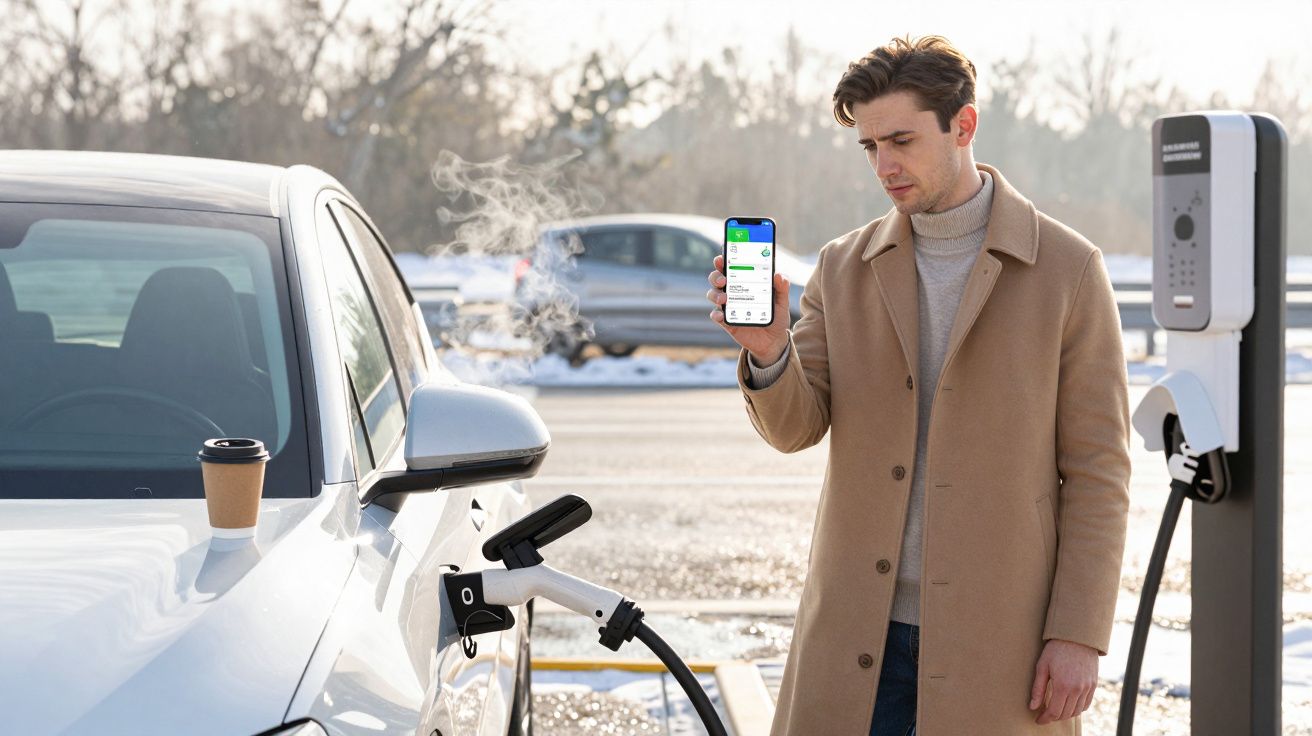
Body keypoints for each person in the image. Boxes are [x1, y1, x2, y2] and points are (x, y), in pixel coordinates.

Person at [706, 35, 1131, 735]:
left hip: (1001, 643)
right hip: (853, 641)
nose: (884, 165)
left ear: (963, 125)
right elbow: (793, 428)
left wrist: (1079, 634)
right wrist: (768, 350)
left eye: (900, 140)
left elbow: (1098, 472)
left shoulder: (1067, 269)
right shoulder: (843, 267)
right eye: (870, 147)